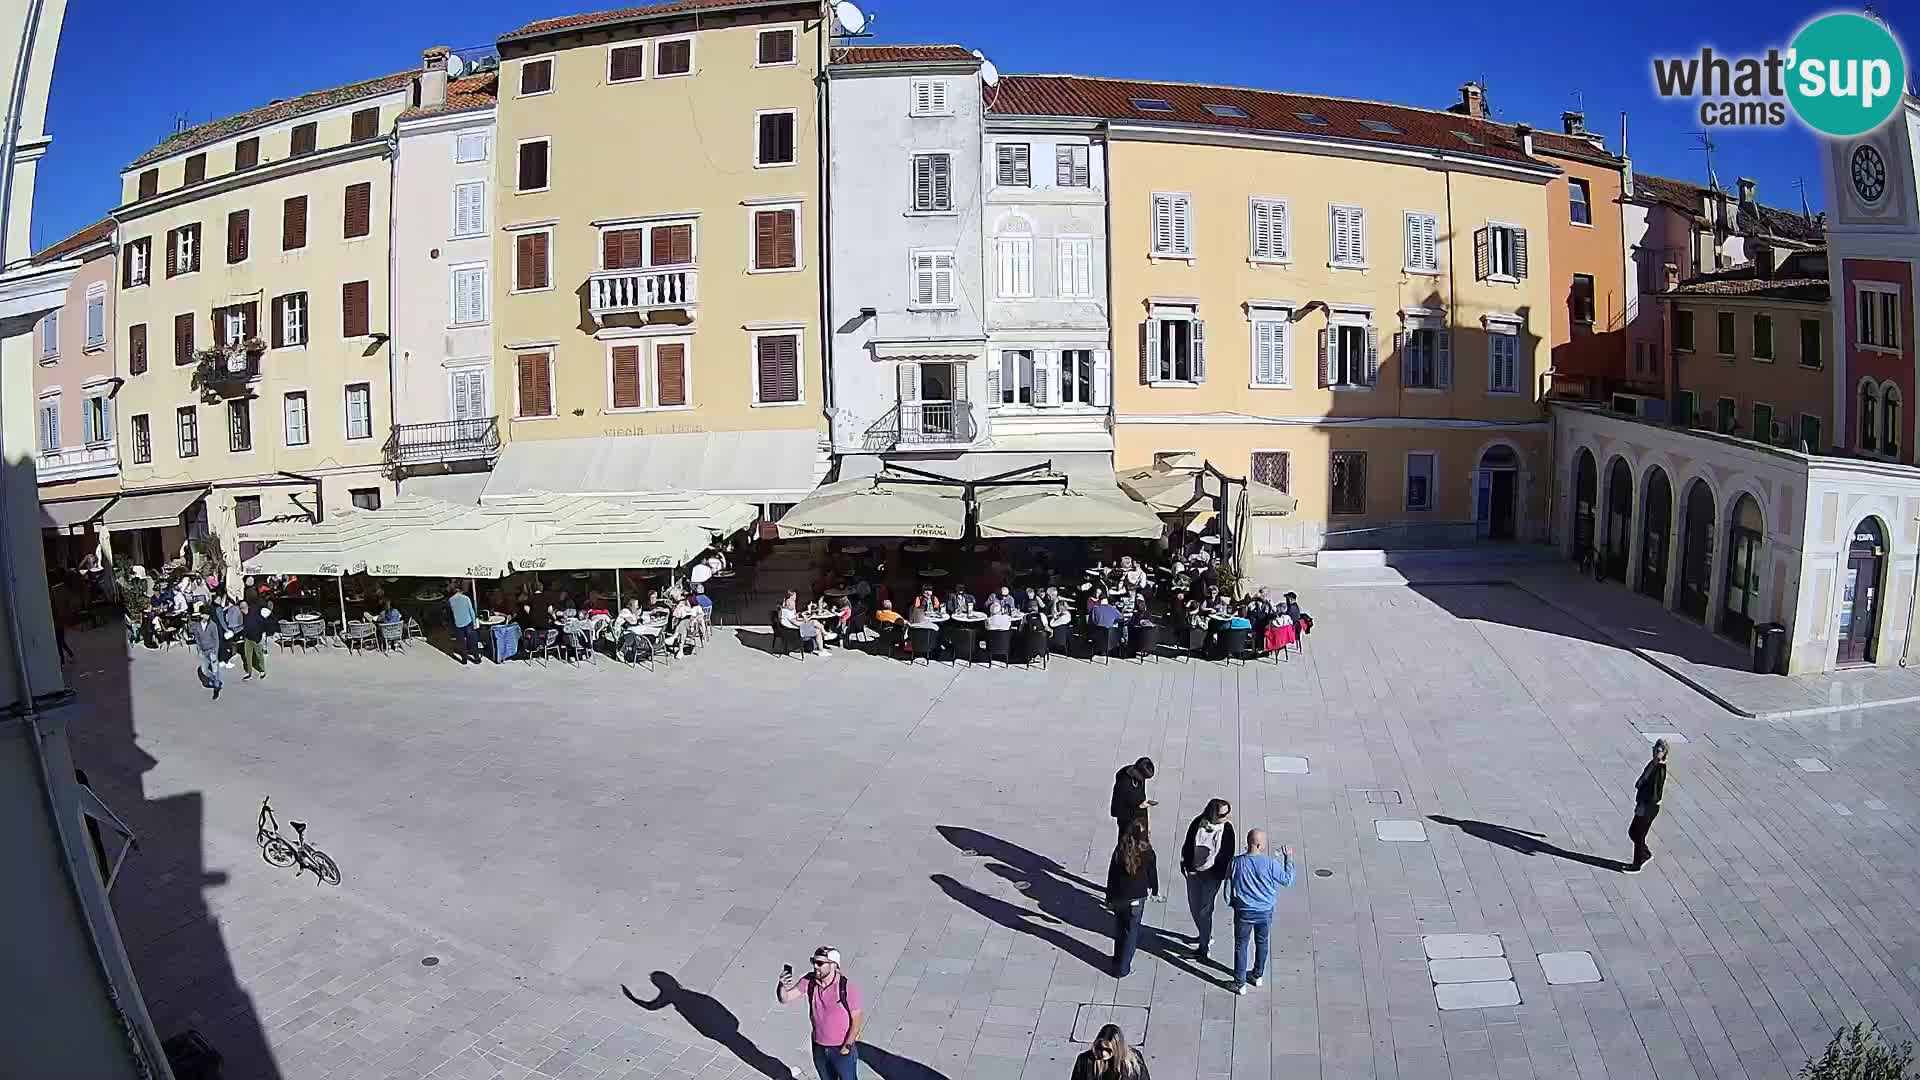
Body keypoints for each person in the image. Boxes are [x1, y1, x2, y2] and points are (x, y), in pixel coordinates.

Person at [776, 946, 864, 1080]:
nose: (815, 966)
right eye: (814, 962)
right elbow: (785, 998)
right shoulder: (809, 981)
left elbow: (856, 1022)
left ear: (834, 965)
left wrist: (847, 1047)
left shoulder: (847, 988)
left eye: (820, 963)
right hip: (819, 1046)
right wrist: (782, 985)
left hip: (840, 1048)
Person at [1227, 829, 1296, 994]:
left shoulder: (1236, 862)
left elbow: (1228, 884)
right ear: (1258, 845)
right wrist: (1289, 859)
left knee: (1241, 945)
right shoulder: (1270, 863)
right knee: (1262, 942)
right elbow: (1288, 881)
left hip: (1243, 911)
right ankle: (1257, 975)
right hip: (1265, 911)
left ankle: (1239, 982)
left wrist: (1231, 902)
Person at [1180, 799, 1235, 963]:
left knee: (1205, 911)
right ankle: (1205, 934)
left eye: (1227, 813)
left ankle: (1203, 948)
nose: (1227, 816)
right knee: (1194, 906)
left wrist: (1220, 874)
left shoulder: (1227, 829)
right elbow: (1188, 843)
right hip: (1193, 871)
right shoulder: (1198, 822)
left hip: (1212, 876)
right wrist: (1185, 863)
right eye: (1223, 814)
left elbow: (1227, 854)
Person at [1105, 819, 1159, 978]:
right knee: (1131, 932)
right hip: (1136, 898)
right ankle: (1123, 968)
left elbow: (1112, 874)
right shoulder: (1147, 851)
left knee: (1120, 928)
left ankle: (1117, 960)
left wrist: (1109, 896)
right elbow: (1152, 874)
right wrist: (1154, 890)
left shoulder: (1120, 849)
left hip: (1119, 896)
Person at [1625, 740, 1669, 872]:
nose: (1656, 752)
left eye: (1659, 751)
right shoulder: (1653, 763)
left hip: (1649, 806)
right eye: (1656, 749)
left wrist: (1643, 807)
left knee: (1638, 834)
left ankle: (1636, 864)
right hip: (1643, 804)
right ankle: (1645, 854)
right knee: (1633, 832)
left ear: (1664, 753)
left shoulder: (1660, 769)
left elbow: (1655, 793)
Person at [1071, 1023, 1151, 1080]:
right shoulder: (1084, 1060)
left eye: (1108, 1050)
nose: (1103, 1053)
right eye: (1100, 1048)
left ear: (1118, 1049)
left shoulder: (1134, 1060)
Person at [1109, 757, 1155, 840]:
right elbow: (1118, 809)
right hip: (1127, 818)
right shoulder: (1124, 784)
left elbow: (1140, 794)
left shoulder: (1139, 777)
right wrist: (1139, 806)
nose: (1143, 780)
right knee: (1127, 841)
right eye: (1143, 777)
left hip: (1137, 814)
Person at [190, 607, 224, 700]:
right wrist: (199, 649)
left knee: (215, 669)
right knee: (205, 671)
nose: (207, 616)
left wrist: (215, 651)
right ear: (201, 614)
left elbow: (216, 639)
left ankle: (216, 687)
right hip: (203, 650)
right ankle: (215, 679)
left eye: (208, 614)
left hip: (212, 650)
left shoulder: (213, 625)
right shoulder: (197, 625)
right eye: (205, 614)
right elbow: (196, 637)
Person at [239, 601, 272, 680]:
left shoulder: (254, 614)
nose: (242, 609)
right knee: (247, 656)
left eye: (243, 607)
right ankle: (249, 673)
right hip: (248, 639)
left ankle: (262, 670)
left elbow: (262, 624)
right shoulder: (244, 616)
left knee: (259, 655)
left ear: (247, 606)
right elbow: (245, 626)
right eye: (241, 608)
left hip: (256, 638)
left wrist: (260, 636)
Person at [448, 584, 479, 665]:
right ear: (459, 590)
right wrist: (474, 622)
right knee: (472, 641)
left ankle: (464, 659)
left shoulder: (450, 600)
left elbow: (450, 615)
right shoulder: (466, 598)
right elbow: (471, 611)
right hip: (468, 622)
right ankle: (476, 658)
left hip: (458, 624)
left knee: (461, 643)